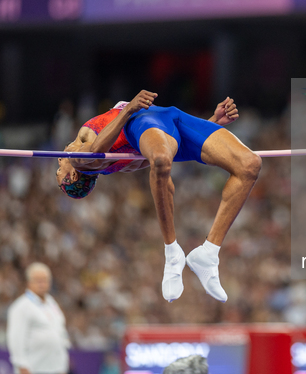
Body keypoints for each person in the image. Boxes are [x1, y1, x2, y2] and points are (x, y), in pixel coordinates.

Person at [55, 90, 261, 303]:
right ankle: (172, 254)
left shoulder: (121, 162)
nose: (59, 162)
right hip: (139, 120)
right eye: (58, 171)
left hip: (170, 118)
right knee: (161, 162)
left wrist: (209, 124)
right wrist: (128, 110)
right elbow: (97, 152)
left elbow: (167, 148)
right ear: (72, 176)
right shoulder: (79, 160)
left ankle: (208, 253)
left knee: (249, 164)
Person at [7, 263, 71, 374]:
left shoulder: (51, 303)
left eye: (45, 280)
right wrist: (22, 366)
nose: (42, 284)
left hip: (54, 368)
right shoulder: (21, 307)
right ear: (29, 282)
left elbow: (59, 333)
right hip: (34, 368)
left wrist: (62, 366)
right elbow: (16, 340)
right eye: (38, 280)